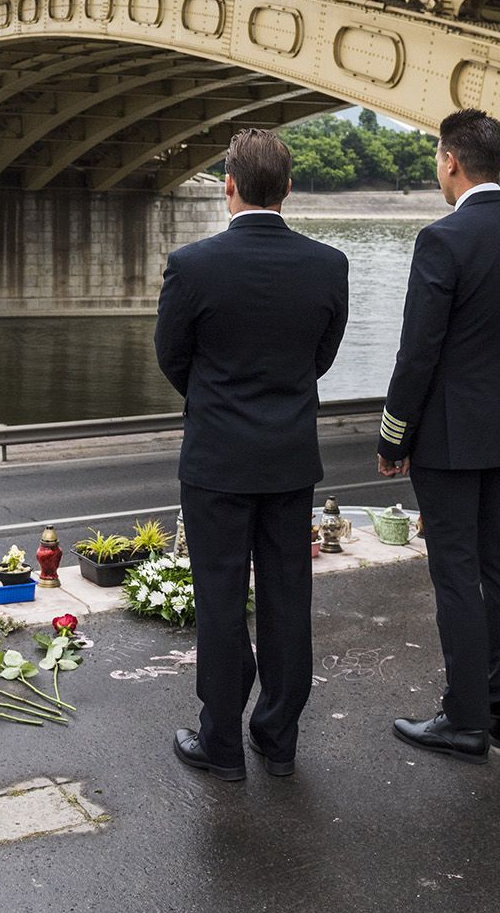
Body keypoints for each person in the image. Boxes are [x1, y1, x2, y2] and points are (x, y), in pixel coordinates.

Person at [155, 128, 350, 781]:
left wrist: (216, 399)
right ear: (289, 189)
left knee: (219, 595)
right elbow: (320, 356)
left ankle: (222, 742)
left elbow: (172, 357)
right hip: (289, 455)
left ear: (229, 185)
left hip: (217, 457)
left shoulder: (192, 265)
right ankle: (279, 735)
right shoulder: (328, 265)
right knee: (288, 595)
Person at [376, 109, 500, 763]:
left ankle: (461, 720)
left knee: (455, 573)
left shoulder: (443, 239)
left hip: (449, 437)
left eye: (437, 158)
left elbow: (417, 354)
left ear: (451, 160)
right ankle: (498, 708)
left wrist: (394, 434)